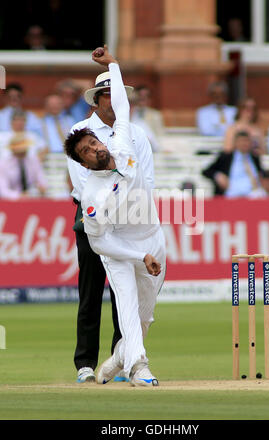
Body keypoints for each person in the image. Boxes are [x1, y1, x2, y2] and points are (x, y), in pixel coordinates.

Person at [65, 46, 166, 387]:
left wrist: (115, 64)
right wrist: (138, 255)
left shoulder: (124, 140)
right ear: (83, 162)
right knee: (118, 297)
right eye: (86, 152)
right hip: (116, 241)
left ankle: (114, 362)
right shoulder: (92, 197)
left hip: (150, 232)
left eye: (93, 144)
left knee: (144, 314)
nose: (94, 149)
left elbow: (122, 107)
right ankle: (139, 367)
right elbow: (101, 241)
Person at [202, 131, 262, 197]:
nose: (244, 144)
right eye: (241, 141)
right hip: (231, 195)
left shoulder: (254, 158)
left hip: (252, 195)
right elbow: (206, 171)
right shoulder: (227, 157)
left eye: (246, 141)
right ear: (235, 142)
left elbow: (261, 173)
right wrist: (218, 175)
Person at [0, 134, 47, 199]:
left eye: (23, 148)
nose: (21, 151)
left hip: (31, 199)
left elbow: (42, 181)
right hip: (11, 201)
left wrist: (41, 188)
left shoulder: (34, 161)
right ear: (12, 150)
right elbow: (3, 190)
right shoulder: (3, 164)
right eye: (19, 148)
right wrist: (19, 196)